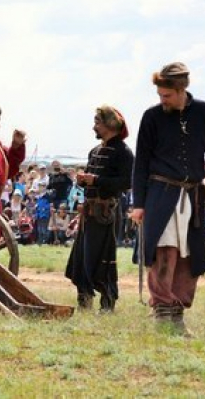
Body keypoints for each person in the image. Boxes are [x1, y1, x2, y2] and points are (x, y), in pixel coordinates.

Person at [131, 62, 205, 334]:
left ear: (181, 88)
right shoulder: (151, 117)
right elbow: (142, 162)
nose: (163, 100)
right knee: (164, 250)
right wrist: (139, 203)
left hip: (193, 194)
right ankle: (162, 309)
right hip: (160, 193)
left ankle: (177, 311)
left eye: (167, 95)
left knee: (190, 254)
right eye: (160, 95)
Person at [64, 105, 134, 311]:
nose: (94, 127)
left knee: (103, 258)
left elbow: (126, 182)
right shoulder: (94, 151)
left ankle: (107, 303)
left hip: (107, 214)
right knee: (81, 257)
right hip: (89, 213)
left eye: (97, 122)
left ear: (109, 124)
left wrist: (96, 179)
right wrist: (85, 181)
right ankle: (84, 299)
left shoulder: (123, 151)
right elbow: (92, 181)